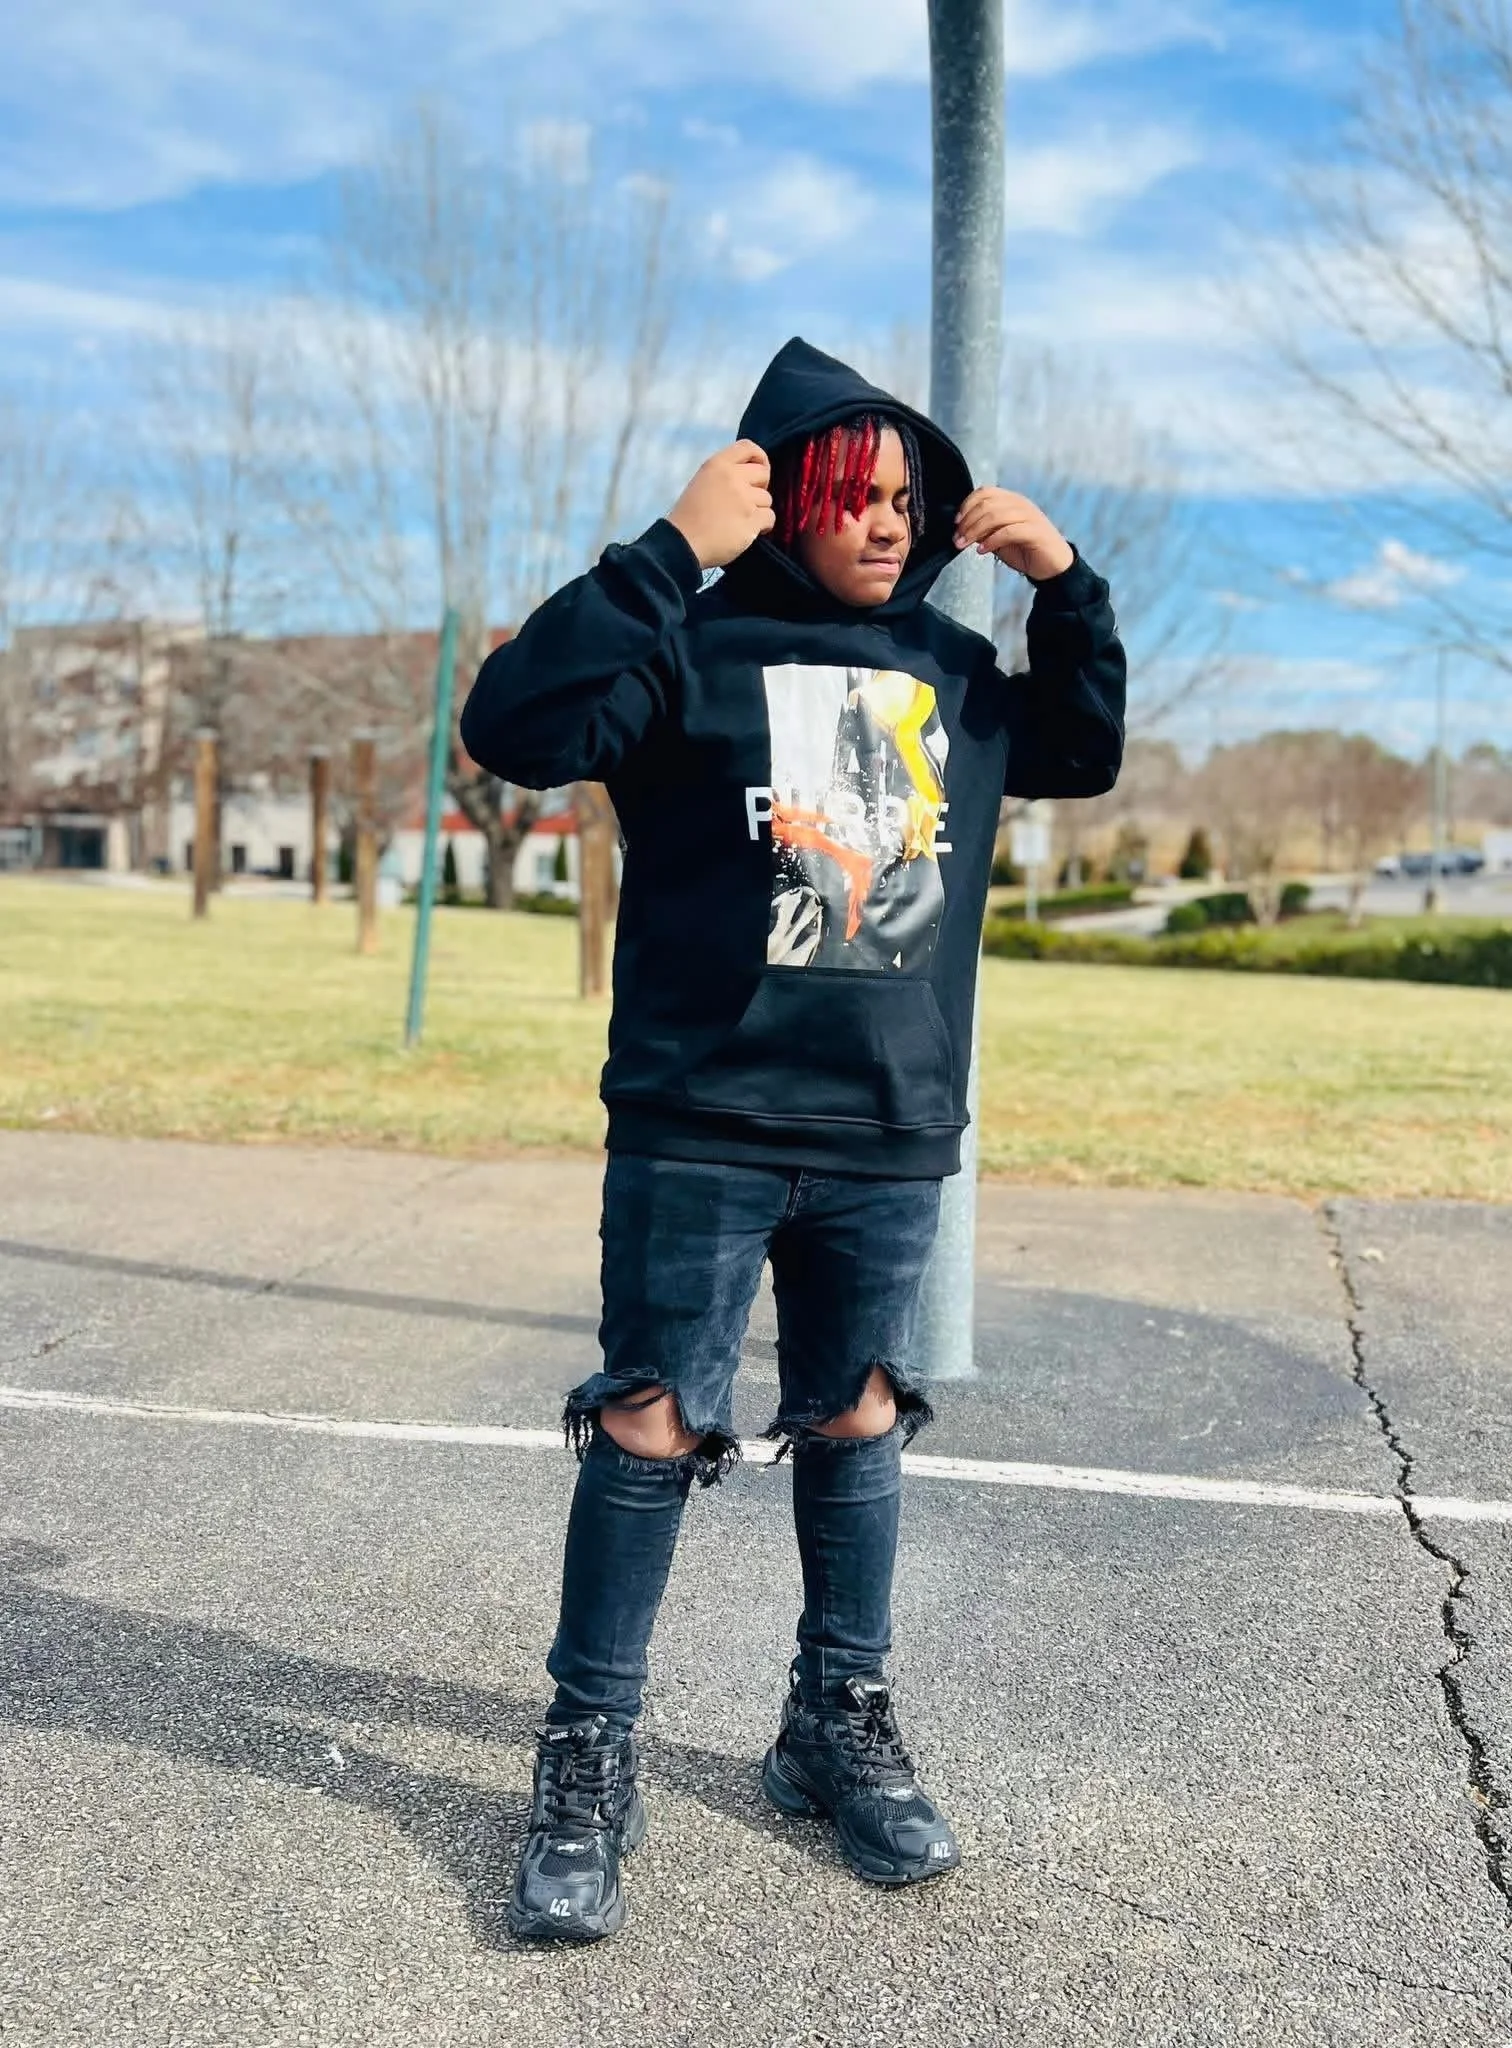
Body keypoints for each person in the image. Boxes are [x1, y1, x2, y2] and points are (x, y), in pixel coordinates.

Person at [460, 336, 1126, 1944]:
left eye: (908, 497)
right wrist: (666, 552)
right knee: (649, 1422)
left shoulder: (952, 673)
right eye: (855, 494)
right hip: (699, 1121)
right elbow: (512, 724)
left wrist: (1068, 588)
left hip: (887, 1133)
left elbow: (1086, 748)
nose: (889, 522)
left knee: (858, 1415)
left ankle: (834, 1721)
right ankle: (589, 1752)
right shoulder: (687, 646)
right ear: (782, 500)